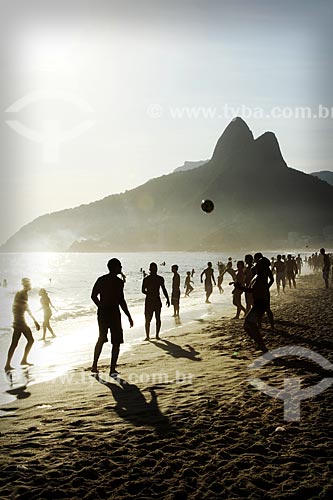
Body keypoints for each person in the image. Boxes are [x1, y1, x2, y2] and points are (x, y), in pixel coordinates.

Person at [91, 258, 133, 376]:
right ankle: (111, 369)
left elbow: (93, 296)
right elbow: (121, 301)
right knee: (115, 341)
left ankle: (95, 365)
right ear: (114, 267)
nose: (121, 268)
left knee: (102, 338)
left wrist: (100, 306)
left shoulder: (102, 280)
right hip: (113, 312)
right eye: (119, 266)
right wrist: (128, 316)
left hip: (104, 313)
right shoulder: (119, 282)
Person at [235, 256, 274, 353]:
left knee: (248, 324)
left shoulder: (261, 277)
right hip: (259, 303)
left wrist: (240, 288)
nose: (256, 266)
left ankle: (261, 344)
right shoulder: (258, 276)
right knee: (250, 324)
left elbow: (252, 290)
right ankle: (260, 343)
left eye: (258, 265)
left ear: (262, 267)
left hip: (260, 304)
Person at [4, 278, 40, 371]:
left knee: (15, 343)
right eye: (28, 284)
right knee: (28, 340)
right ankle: (12, 363)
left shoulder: (24, 294)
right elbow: (15, 307)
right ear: (25, 285)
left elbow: (27, 308)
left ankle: (14, 363)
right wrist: (17, 320)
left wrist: (34, 320)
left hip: (19, 321)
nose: (29, 286)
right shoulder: (20, 294)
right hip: (20, 322)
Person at [142, 262, 170, 340]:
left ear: (149, 269)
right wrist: (167, 299)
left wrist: (149, 293)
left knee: (149, 319)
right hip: (155, 300)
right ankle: (155, 335)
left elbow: (143, 290)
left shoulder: (147, 279)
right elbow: (163, 289)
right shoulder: (159, 279)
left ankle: (149, 336)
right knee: (155, 318)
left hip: (151, 300)